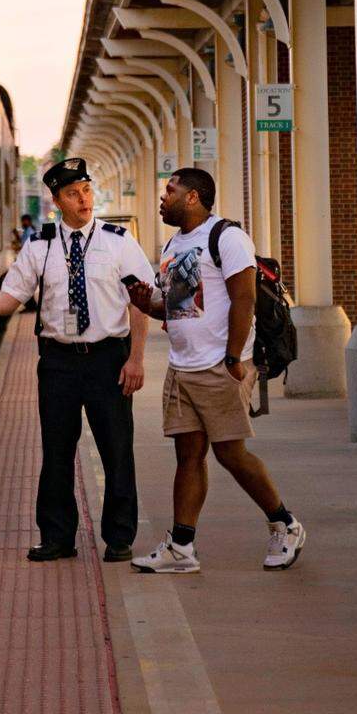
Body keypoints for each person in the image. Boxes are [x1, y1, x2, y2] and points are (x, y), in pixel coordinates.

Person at [0, 157, 156, 563]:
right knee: (56, 451)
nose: (84, 199)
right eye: (73, 193)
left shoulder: (118, 241)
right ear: (56, 200)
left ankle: (119, 537)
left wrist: (136, 360)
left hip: (109, 359)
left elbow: (141, 302)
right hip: (58, 363)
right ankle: (57, 537)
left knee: (116, 448)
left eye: (87, 190)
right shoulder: (40, 246)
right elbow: (13, 296)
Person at [127, 167, 306, 574]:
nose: (162, 197)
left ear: (193, 197)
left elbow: (244, 300)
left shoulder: (227, 237)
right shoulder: (175, 244)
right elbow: (177, 307)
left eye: (169, 191)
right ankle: (182, 548)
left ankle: (285, 523)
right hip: (182, 368)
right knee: (188, 456)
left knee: (231, 454)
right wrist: (145, 302)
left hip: (219, 367)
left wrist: (232, 359)